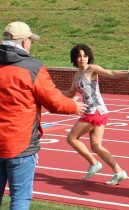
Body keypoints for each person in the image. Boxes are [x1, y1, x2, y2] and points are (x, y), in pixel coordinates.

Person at [0, 22, 87, 210]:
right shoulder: (32, 68)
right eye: (30, 41)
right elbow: (54, 101)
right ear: (24, 42)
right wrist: (75, 106)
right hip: (20, 145)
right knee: (20, 199)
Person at [62, 44, 129, 185]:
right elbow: (70, 93)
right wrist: (51, 92)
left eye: (85, 55)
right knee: (96, 146)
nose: (82, 59)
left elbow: (110, 73)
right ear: (74, 58)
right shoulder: (77, 74)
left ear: (89, 57)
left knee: (71, 138)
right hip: (97, 112)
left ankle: (94, 163)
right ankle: (119, 172)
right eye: (79, 56)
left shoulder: (92, 69)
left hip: (95, 111)